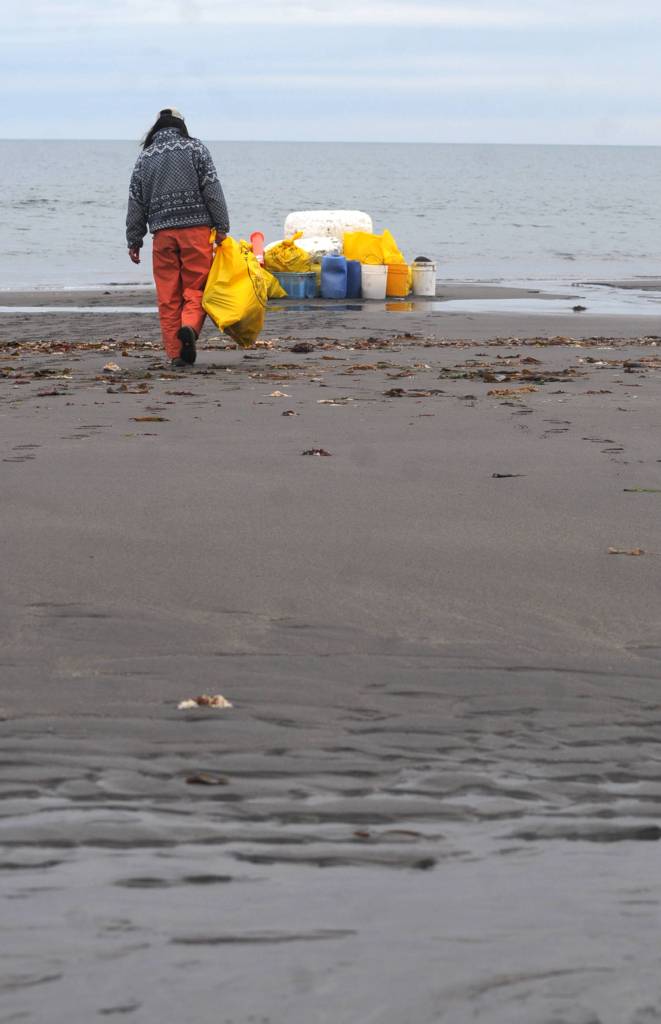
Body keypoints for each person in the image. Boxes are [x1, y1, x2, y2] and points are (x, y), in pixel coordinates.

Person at [126, 108, 229, 367]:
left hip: (162, 235)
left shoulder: (145, 158)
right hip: (196, 231)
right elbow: (212, 188)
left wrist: (134, 239)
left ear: (156, 129)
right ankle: (190, 328)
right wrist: (222, 226)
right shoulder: (196, 149)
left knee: (168, 295)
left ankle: (175, 354)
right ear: (182, 126)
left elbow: (136, 202)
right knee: (197, 289)